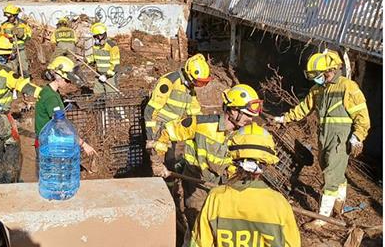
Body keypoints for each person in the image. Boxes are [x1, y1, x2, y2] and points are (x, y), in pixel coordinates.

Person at [274, 50, 370, 230]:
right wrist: (284, 118)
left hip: (340, 138)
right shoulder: (318, 89)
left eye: (317, 75)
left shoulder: (347, 87)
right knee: (332, 170)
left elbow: (362, 116)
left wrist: (357, 137)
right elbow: (303, 108)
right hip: (324, 136)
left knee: (330, 175)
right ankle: (338, 206)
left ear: (329, 70)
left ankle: (322, 218)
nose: (315, 79)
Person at [149, 84, 263, 231]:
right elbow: (164, 133)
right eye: (247, 115)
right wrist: (157, 163)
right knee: (198, 228)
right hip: (197, 187)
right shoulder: (201, 125)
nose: (250, 120)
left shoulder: (245, 135)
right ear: (233, 110)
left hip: (225, 187)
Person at [190, 123, 301, 247]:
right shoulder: (279, 203)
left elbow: (198, 243)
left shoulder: (216, 198)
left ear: (233, 157)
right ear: (267, 162)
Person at [0, 36, 41, 184]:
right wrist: (43, 93)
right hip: (1, 116)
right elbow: (26, 87)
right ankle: (11, 181)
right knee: (12, 144)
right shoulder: (7, 73)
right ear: (9, 55)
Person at [35, 56, 95, 159]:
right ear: (58, 77)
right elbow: (61, 127)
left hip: (46, 139)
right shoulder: (51, 98)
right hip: (49, 144)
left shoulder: (47, 90)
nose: (69, 83)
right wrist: (83, 144)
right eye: (67, 80)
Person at [85, 23, 120, 94]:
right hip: (98, 74)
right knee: (98, 94)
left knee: (111, 95)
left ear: (102, 36)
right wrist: (86, 60)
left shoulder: (112, 46)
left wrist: (106, 75)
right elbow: (95, 58)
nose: (95, 39)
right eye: (94, 37)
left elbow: (115, 65)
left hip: (110, 76)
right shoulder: (96, 46)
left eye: (96, 37)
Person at [0, 4, 32, 78]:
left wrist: (21, 35)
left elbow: (29, 37)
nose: (9, 18)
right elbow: (0, 37)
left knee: (24, 67)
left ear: (15, 15)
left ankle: (25, 81)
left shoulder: (23, 25)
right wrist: (8, 39)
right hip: (10, 50)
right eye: (7, 17)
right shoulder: (4, 25)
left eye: (10, 16)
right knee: (12, 68)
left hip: (21, 49)